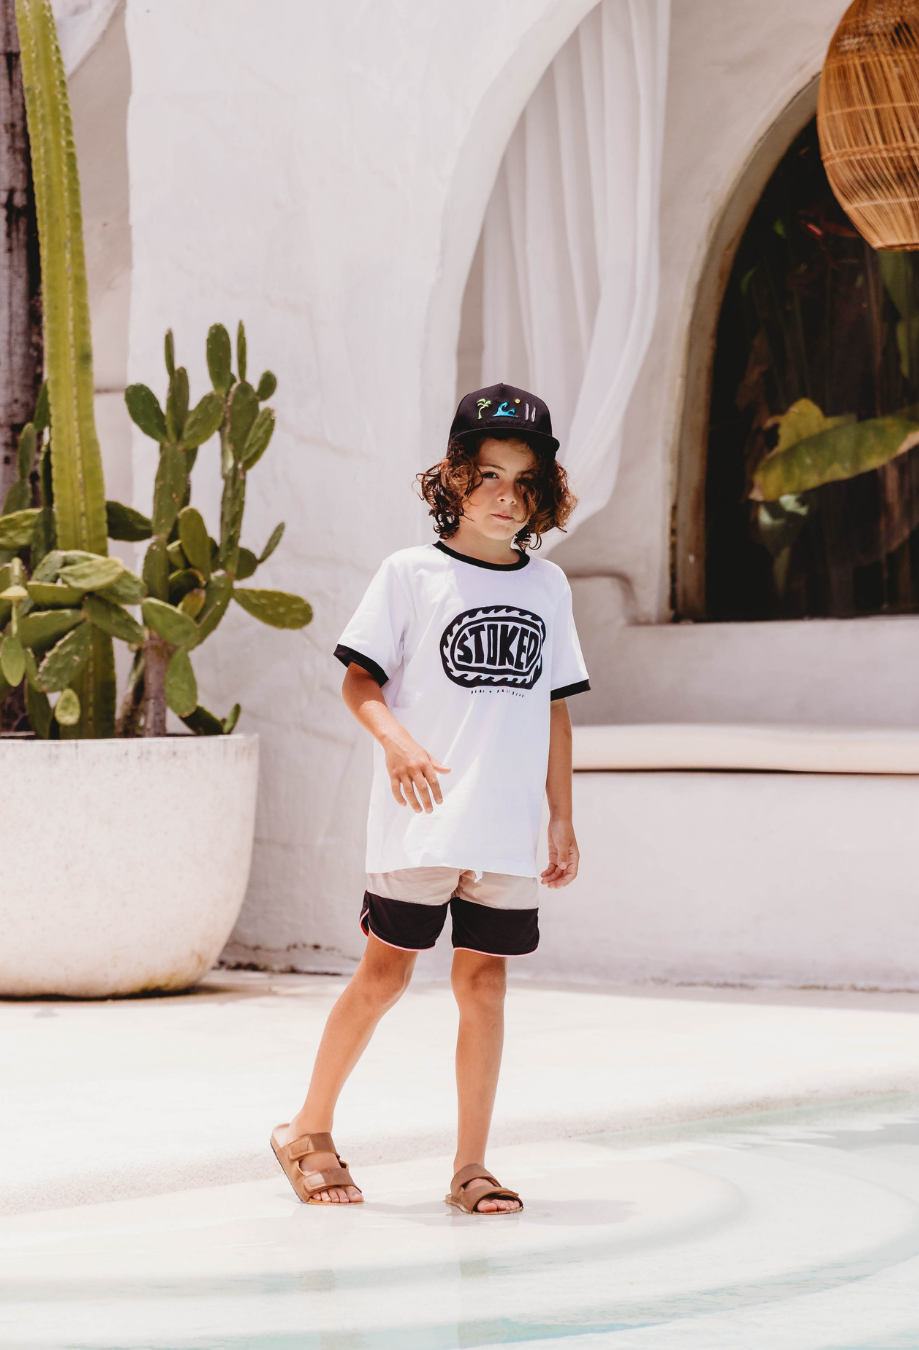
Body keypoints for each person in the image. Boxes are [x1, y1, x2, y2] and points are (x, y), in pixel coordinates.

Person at [271, 383, 590, 1214]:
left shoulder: (548, 589)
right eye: (486, 475)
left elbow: (554, 710)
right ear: (452, 478)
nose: (503, 497)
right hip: (422, 823)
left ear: (542, 494)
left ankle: (471, 1166)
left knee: (484, 985)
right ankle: (306, 1128)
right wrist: (400, 743)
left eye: (523, 482)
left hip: (508, 829)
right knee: (384, 976)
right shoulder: (410, 575)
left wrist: (561, 816)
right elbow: (358, 679)